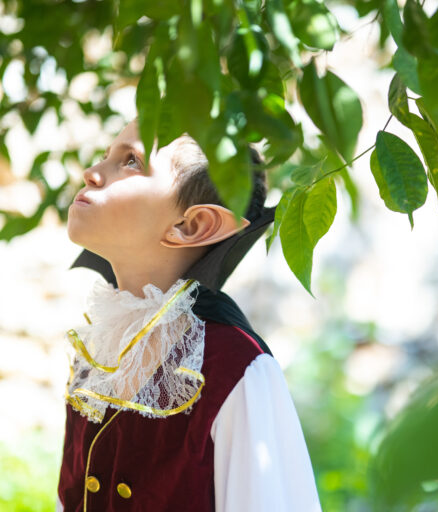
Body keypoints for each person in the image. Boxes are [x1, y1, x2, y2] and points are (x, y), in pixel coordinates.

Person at [56, 120, 321, 511]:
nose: (92, 173)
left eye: (131, 161)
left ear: (193, 225)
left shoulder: (234, 369)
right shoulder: (98, 349)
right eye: (106, 156)